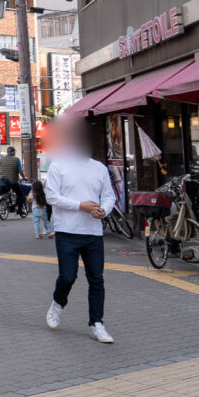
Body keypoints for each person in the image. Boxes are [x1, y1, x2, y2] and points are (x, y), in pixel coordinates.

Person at [44, 116, 117, 344]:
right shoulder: (58, 165)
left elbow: (109, 195)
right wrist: (80, 205)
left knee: (97, 279)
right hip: (67, 231)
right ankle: (58, 303)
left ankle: (97, 324)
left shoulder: (99, 168)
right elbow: (51, 196)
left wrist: (104, 210)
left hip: (93, 232)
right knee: (68, 276)